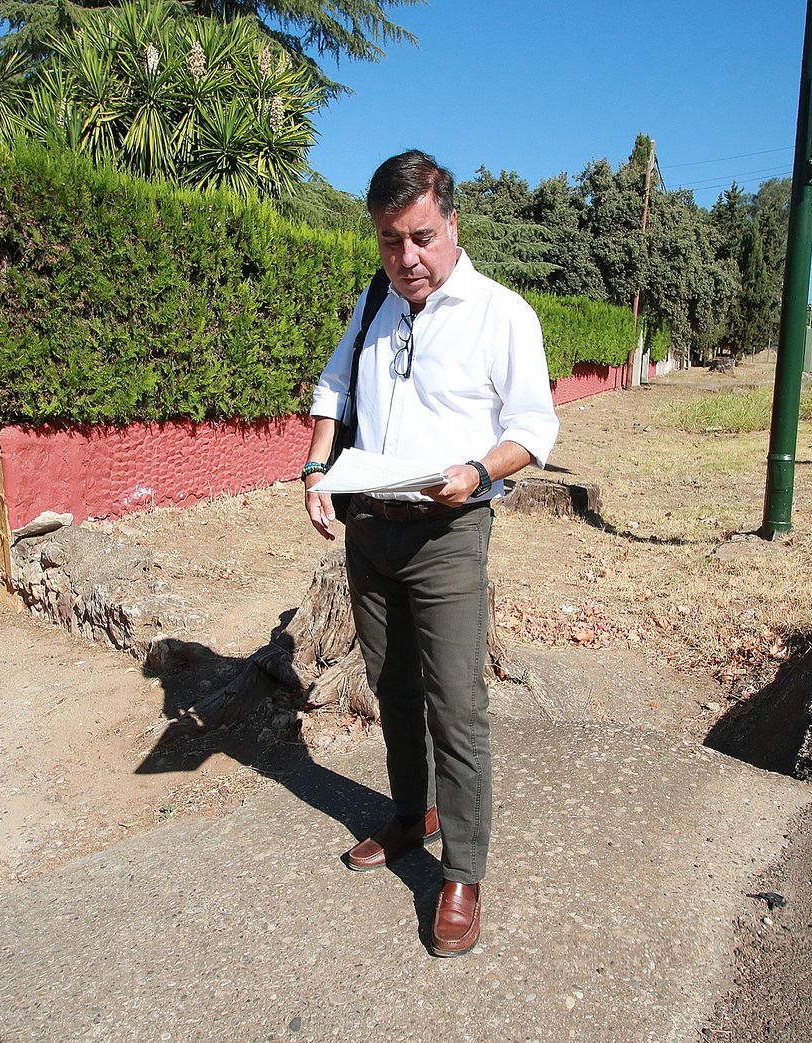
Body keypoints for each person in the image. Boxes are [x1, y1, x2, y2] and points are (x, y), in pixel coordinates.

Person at [300, 150, 558, 957]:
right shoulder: (375, 298)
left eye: (419, 237)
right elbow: (334, 388)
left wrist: (478, 470)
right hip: (371, 528)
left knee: (456, 702)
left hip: (450, 531)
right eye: (388, 241)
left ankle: (464, 871)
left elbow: (535, 427)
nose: (406, 258)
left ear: (450, 224)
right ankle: (413, 814)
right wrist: (315, 467)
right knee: (391, 684)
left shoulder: (500, 312)